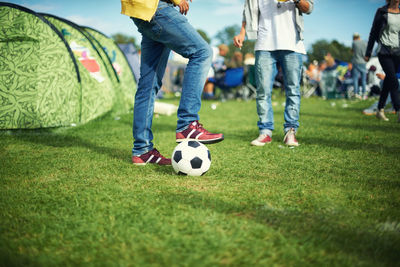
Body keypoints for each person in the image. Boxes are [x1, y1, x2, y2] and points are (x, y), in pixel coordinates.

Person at [121, 0, 224, 166]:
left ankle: (142, 150)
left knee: (148, 85)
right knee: (202, 52)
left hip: (140, 11)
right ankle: (187, 124)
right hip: (158, 7)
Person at [234, 0, 314, 147]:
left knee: (293, 90)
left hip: (292, 44)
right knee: (262, 91)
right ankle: (265, 132)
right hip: (264, 44)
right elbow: (248, 12)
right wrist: (242, 33)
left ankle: (290, 131)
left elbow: (309, 8)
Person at [365, 0, 400, 122]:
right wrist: (368, 52)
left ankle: (380, 109)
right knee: (394, 80)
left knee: (389, 81)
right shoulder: (382, 12)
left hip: (398, 52)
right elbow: (373, 32)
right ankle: (399, 110)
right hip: (384, 51)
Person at [351, 33, 368, 100]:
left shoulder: (354, 43)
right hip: (363, 62)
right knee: (364, 80)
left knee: (355, 79)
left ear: (354, 37)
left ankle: (356, 93)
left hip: (355, 62)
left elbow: (352, 51)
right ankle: (364, 94)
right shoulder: (365, 42)